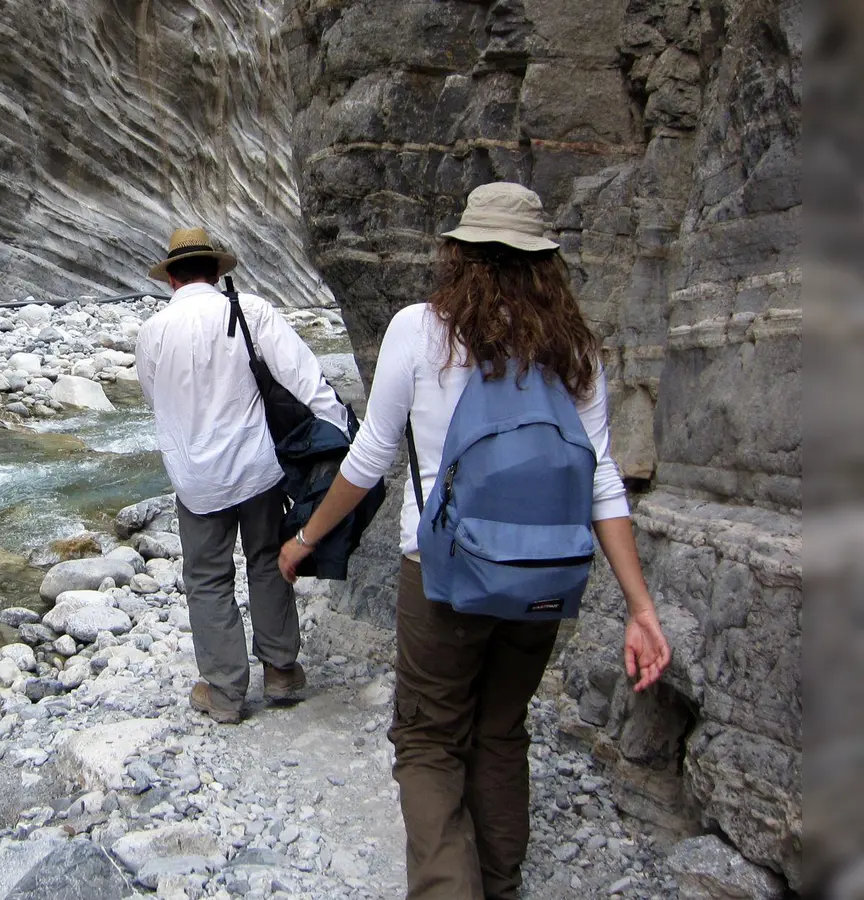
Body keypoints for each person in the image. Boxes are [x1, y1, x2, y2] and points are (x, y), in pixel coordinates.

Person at [276, 183, 672, 899]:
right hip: (545, 581)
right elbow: (602, 480)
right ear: (544, 262)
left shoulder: (419, 331)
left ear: (457, 254)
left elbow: (369, 460)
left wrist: (305, 537)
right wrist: (641, 609)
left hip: (442, 576)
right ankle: (500, 882)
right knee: (500, 729)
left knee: (429, 742)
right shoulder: (573, 348)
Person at [136, 226, 351, 724]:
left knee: (208, 578)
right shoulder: (250, 312)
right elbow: (304, 376)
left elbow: (156, 399)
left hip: (195, 479)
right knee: (267, 560)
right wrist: (342, 429)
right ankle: (280, 670)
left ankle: (226, 692)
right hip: (258, 468)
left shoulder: (152, 333)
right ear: (217, 272)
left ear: (171, 278)